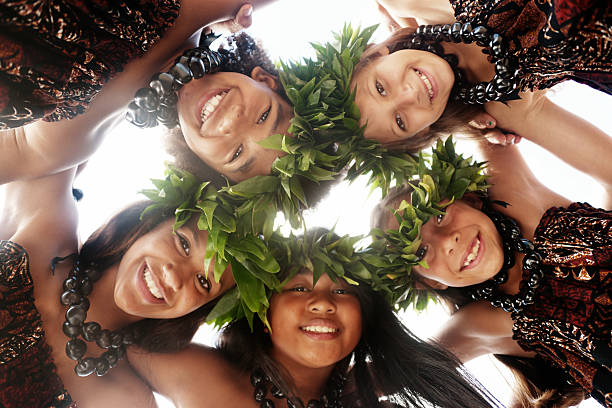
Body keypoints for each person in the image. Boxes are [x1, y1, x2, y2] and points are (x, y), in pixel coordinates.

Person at [127, 230, 501, 408]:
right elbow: (96, 342)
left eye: (343, 292)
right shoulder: (198, 373)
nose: (323, 304)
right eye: (299, 289)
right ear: (262, 310)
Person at [371, 138, 611, 406]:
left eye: (439, 215)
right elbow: (390, 374)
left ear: (471, 199)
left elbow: (487, 112)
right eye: (420, 252)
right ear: (430, 281)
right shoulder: (487, 321)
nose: (447, 240)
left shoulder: (517, 195)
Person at [0, 1, 295, 184]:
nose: (232, 124)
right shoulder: (220, 4)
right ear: (265, 80)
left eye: (237, 154)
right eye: (264, 116)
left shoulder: (72, 141)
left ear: (204, 164)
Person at [346, 0, 611, 183]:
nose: (408, 95)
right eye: (400, 121)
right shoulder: (506, 108)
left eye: (380, 88)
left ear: (376, 54)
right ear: (422, 132)